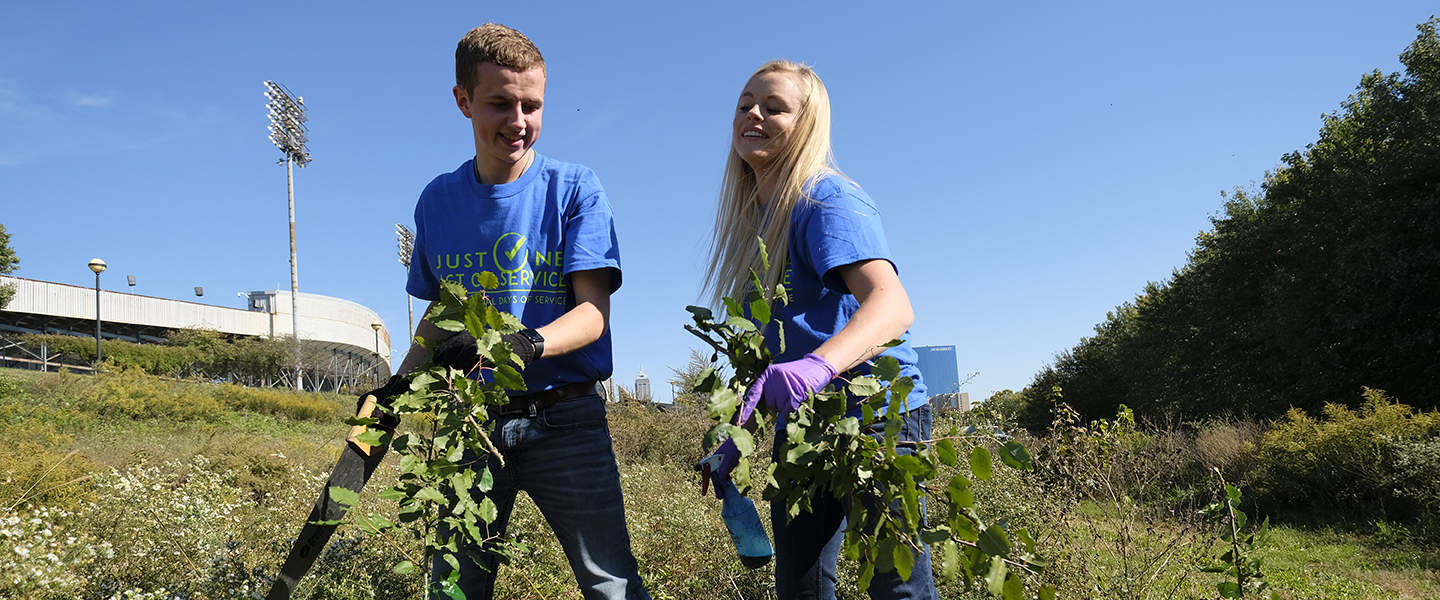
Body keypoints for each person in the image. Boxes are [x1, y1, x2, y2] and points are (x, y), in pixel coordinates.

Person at [364, 23, 649, 600]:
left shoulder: (575, 190)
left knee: (611, 585)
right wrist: (396, 389)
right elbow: (441, 316)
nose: (518, 121)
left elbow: (593, 314)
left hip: (565, 420)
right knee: (453, 589)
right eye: (500, 103)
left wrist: (521, 345)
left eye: (532, 105)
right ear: (463, 100)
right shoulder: (438, 201)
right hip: (469, 422)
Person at [701, 60, 937, 600]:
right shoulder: (755, 220)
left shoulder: (825, 201)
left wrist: (818, 366)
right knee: (801, 588)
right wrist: (740, 432)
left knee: (897, 586)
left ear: (806, 123)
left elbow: (892, 304)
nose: (752, 114)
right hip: (807, 426)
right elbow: (779, 353)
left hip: (879, 416)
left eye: (774, 107)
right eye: (744, 104)